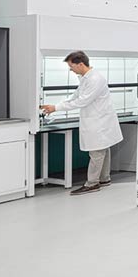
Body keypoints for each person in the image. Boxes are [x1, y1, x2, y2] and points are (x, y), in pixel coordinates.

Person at [41, 51, 123, 196]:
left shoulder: (95, 79)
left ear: (80, 64)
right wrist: (54, 107)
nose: (70, 69)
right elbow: (75, 96)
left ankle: (92, 183)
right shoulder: (85, 78)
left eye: (71, 66)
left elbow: (82, 101)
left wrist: (57, 108)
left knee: (97, 151)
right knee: (102, 149)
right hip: (97, 120)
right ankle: (104, 179)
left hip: (99, 121)